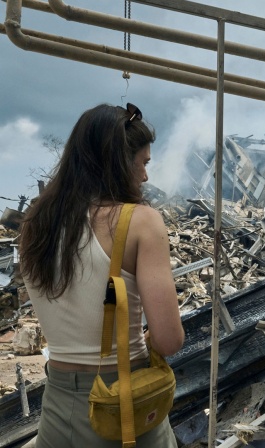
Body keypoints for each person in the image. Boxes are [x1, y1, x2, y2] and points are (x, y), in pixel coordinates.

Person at [20, 103, 185, 447]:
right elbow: (169, 340)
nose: (145, 176)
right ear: (118, 163)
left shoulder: (35, 225)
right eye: (143, 163)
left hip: (57, 407)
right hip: (121, 406)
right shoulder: (140, 221)